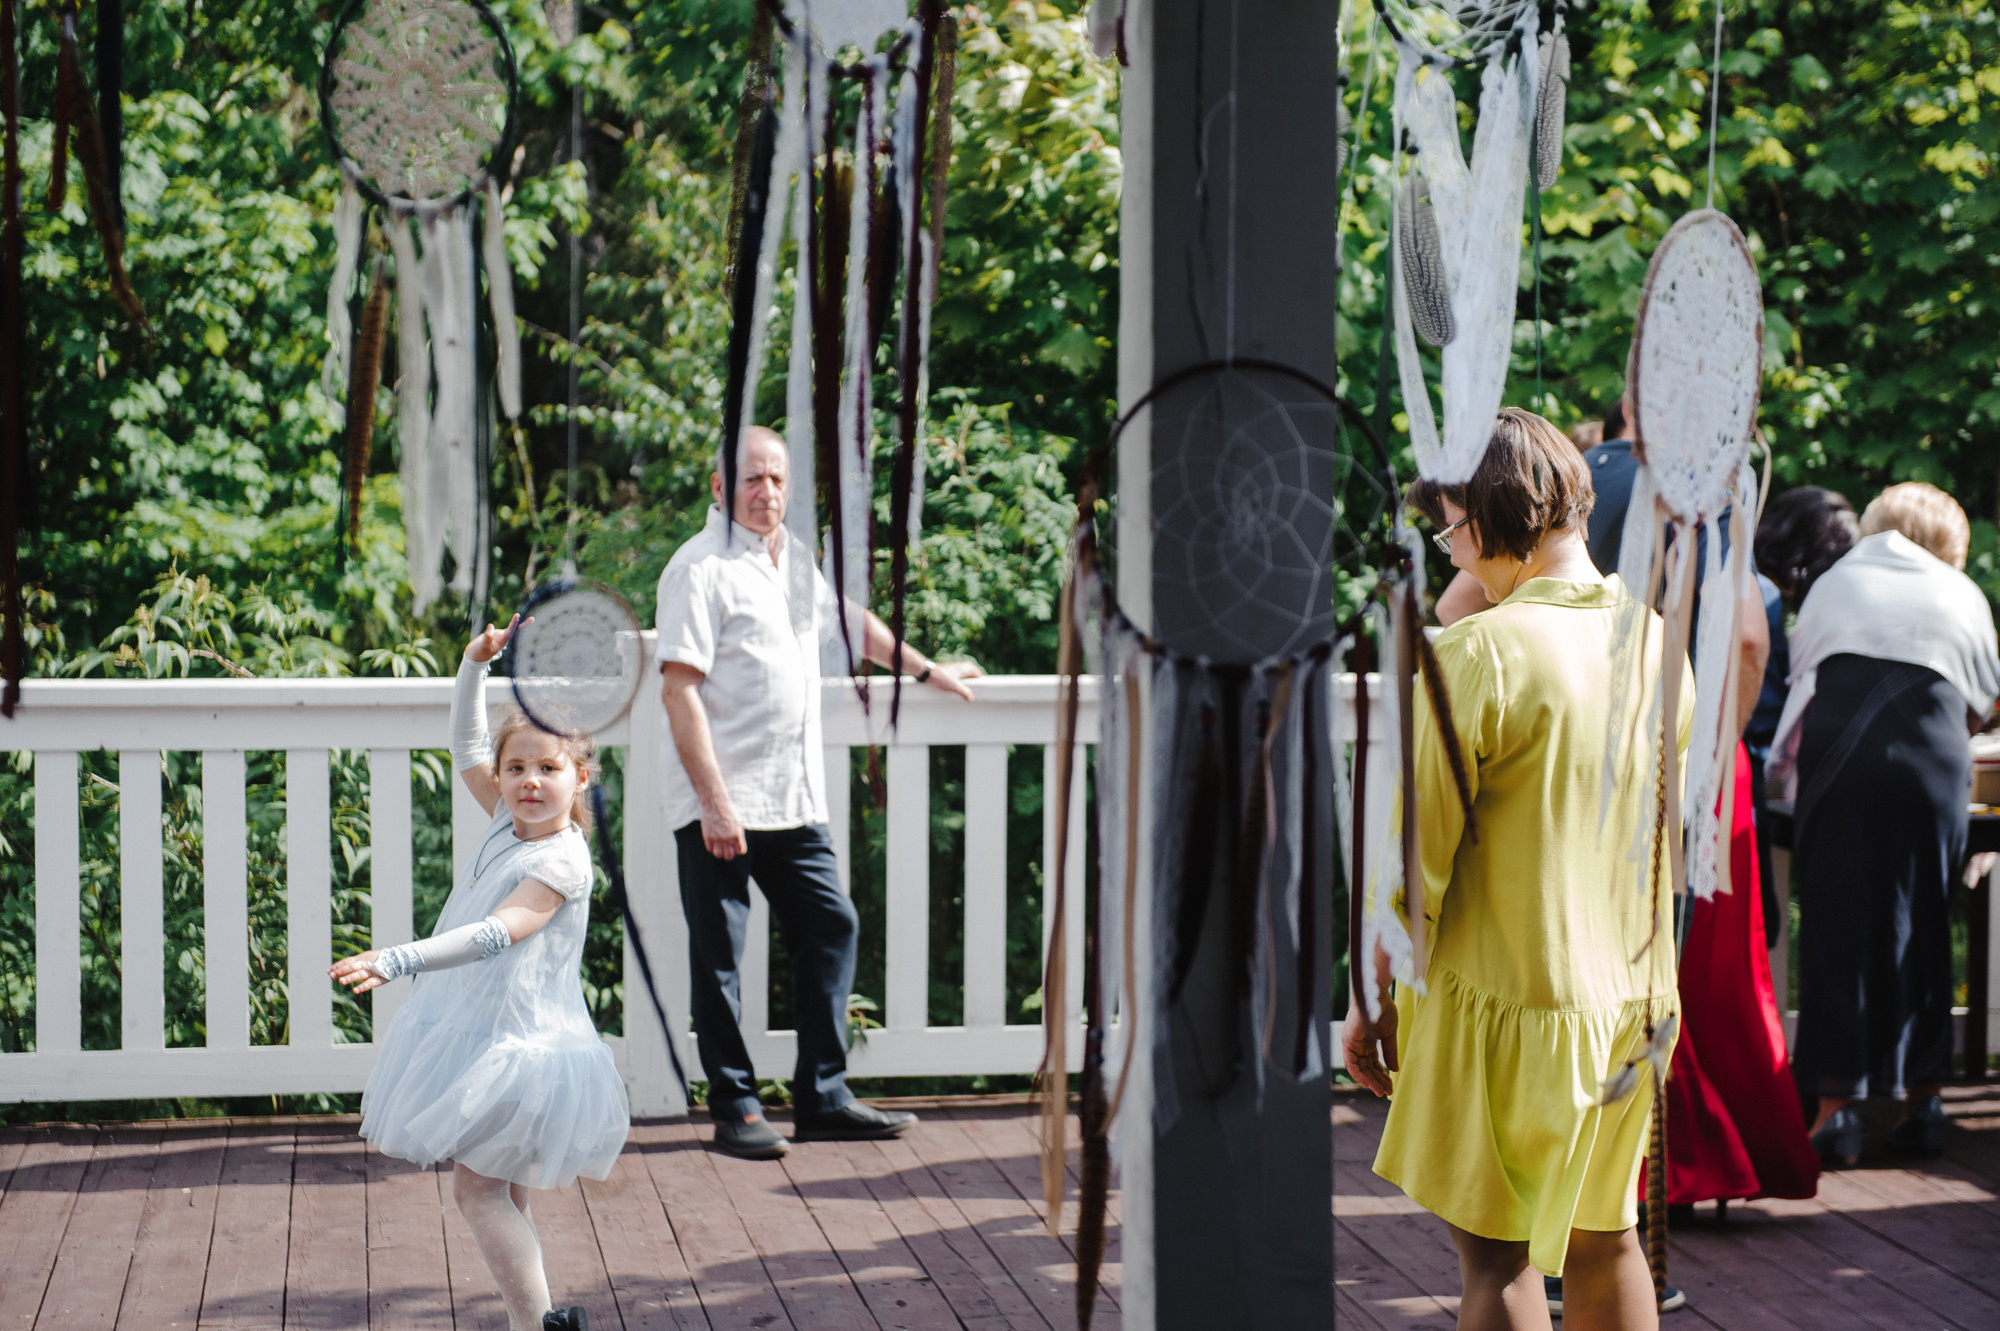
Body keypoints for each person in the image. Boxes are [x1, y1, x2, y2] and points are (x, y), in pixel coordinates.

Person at [1346, 408, 1692, 1331]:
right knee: (1606, 1235)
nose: (1453, 553)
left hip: (1507, 1003)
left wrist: (1369, 1002)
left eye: (1452, 529)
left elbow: (1412, 866)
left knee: (1496, 1256)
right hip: (1630, 1002)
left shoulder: (1476, 654)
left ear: (1488, 513)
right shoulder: (1655, 642)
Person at [656, 425, 981, 1160]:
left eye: (777, 478)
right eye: (750, 479)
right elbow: (680, 692)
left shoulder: (790, 558)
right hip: (721, 801)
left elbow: (848, 624)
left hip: (792, 796)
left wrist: (927, 670)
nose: (767, 492)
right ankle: (735, 1105)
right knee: (721, 956)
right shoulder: (697, 568)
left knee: (830, 925)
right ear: (718, 487)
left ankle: (823, 1095)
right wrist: (713, 801)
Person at [331, 617, 627, 1331]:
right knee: (505, 1193)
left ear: (579, 777)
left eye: (549, 769)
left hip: (525, 1052)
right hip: (489, 1036)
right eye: (517, 767)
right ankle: (543, 1319)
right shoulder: (505, 821)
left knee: (479, 1193)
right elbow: (466, 743)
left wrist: (396, 958)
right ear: (501, 777)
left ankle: (542, 1325)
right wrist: (473, 666)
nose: (530, 781)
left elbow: (500, 931)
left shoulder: (560, 858)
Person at [1771, 481, 2000, 1165]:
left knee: (1836, 924)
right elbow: (1984, 702)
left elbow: (1803, 671)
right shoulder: (1961, 593)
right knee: (1926, 920)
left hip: (1840, 753)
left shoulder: (1840, 579)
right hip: (1932, 761)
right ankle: (1922, 1100)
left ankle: (1834, 1110)